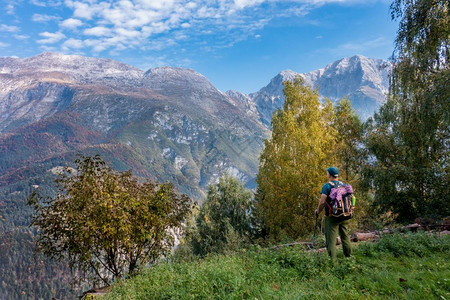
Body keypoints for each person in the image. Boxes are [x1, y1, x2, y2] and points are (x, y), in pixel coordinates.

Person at [315, 167, 352, 261]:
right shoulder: (343, 185)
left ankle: (333, 263)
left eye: (327, 172)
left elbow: (323, 202)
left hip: (332, 216)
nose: (326, 174)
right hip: (345, 215)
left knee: (331, 241)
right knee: (345, 236)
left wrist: (318, 211)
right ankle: (349, 258)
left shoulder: (327, 186)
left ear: (330, 175)